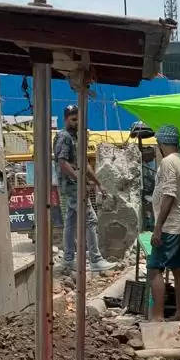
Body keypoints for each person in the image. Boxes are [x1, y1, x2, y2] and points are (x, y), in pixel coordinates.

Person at [54, 104, 113, 276]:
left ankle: (69, 258)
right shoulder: (64, 137)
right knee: (90, 219)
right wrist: (79, 179)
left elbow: (85, 163)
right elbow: (62, 163)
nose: (76, 122)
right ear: (66, 119)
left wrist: (98, 183)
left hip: (75, 185)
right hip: (71, 187)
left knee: (71, 222)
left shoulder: (77, 137)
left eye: (78, 119)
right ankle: (95, 260)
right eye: (73, 119)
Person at [147, 124, 180, 322]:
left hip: (169, 225)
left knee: (155, 268)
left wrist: (158, 227)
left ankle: (157, 315)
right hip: (179, 222)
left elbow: (169, 194)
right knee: (179, 269)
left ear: (160, 142)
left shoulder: (167, 162)